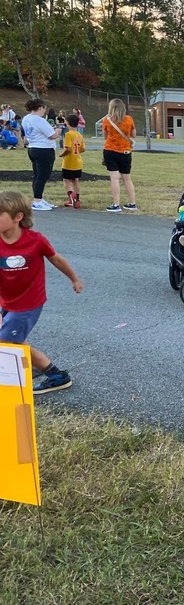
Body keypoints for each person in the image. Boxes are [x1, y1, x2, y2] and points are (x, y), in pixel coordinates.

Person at [0, 190, 83, 393]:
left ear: (18, 217)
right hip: (7, 301)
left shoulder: (35, 240)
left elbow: (56, 259)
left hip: (29, 303)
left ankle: (56, 375)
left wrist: (74, 279)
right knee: (14, 339)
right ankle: (29, 366)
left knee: (6, 340)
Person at [101, 98, 139, 213]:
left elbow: (105, 136)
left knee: (114, 178)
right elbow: (133, 135)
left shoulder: (106, 120)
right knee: (127, 178)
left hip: (110, 150)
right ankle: (132, 203)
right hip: (125, 151)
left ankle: (116, 204)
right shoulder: (129, 119)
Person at [22, 99, 58, 211]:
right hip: (44, 149)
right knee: (43, 175)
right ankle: (37, 200)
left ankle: (39, 198)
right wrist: (58, 131)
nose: (44, 111)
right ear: (40, 108)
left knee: (37, 174)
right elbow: (52, 135)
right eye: (44, 108)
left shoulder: (26, 119)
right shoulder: (39, 120)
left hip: (32, 147)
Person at [60, 114, 85, 209]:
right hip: (78, 161)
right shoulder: (79, 135)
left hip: (69, 161)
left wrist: (62, 154)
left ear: (68, 123)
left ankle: (71, 198)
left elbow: (68, 148)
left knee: (66, 180)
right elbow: (83, 149)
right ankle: (77, 198)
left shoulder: (68, 134)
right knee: (76, 180)